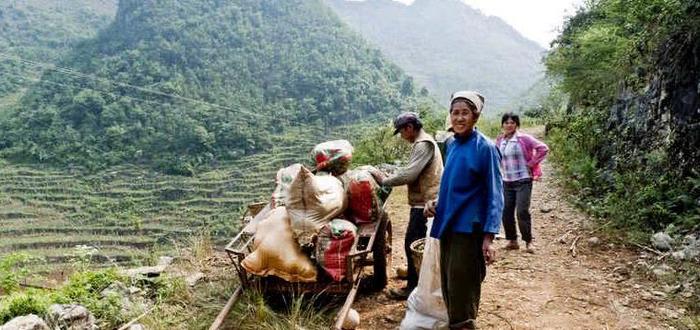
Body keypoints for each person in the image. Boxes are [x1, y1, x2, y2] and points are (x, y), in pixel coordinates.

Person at [425, 91, 503, 329]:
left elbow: (495, 194)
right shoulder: (452, 144)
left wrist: (489, 237)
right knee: (450, 286)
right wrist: (436, 203)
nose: (459, 118)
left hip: (468, 230)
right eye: (455, 113)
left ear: (475, 116)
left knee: (462, 289)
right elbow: (454, 186)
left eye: (465, 113)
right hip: (449, 225)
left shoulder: (485, 148)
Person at [373, 111, 443, 300]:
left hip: (425, 204)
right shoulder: (424, 143)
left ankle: (413, 288)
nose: (402, 136)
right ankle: (420, 283)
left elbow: (409, 175)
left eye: (401, 132)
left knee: (412, 244)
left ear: (409, 128)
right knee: (420, 245)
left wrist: (384, 181)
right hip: (424, 202)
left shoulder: (423, 144)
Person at [495, 112, 549, 253]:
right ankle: (512, 241)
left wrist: (531, 163)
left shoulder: (524, 138)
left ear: (517, 124)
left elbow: (543, 148)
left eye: (512, 122)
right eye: (506, 122)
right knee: (506, 211)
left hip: (523, 180)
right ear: (502, 125)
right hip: (506, 181)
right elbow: (496, 157)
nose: (509, 125)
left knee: (522, 211)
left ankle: (528, 241)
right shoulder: (500, 140)